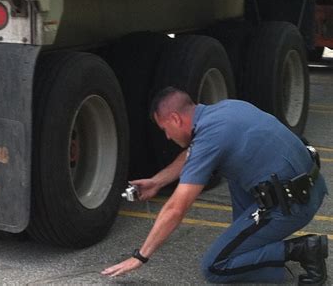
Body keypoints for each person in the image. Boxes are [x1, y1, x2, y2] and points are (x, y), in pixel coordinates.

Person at [102, 87, 329, 284]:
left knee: (216, 266)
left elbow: (176, 208)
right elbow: (193, 154)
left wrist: (140, 256)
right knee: (230, 169)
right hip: (310, 187)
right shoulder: (226, 110)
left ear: (175, 119)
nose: (168, 137)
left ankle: (304, 249)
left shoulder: (210, 138)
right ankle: (252, 245)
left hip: (293, 205)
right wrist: (157, 182)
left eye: (165, 130)